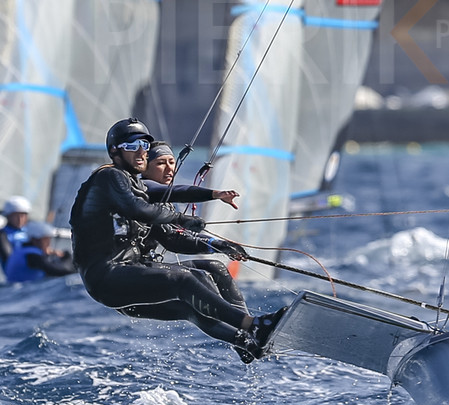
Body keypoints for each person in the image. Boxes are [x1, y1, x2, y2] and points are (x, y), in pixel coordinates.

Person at [69, 118, 287, 362]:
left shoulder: (135, 185)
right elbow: (137, 208)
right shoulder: (108, 177)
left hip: (130, 277)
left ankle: (247, 341)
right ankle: (253, 325)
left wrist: (215, 220)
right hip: (108, 278)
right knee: (184, 280)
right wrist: (182, 219)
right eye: (132, 147)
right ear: (115, 152)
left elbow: (172, 223)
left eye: (144, 145)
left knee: (200, 285)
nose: (141, 151)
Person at [139, 141, 249, 319]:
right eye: (160, 163)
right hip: (135, 278)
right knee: (199, 277)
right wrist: (216, 244)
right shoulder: (143, 192)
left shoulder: (164, 198)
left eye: (171, 162)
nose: (169, 169)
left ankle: (250, 328)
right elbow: (172, 241)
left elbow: (178, 233)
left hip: (151, 268)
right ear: (143, 168)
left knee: (216, 268)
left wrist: (221, 244)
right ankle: (245, 327)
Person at [0, 196, 76, 283]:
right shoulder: (2, 235)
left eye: (23, 215)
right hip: (21, 277)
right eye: (16, 215)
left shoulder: (30, 230)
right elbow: (9, 260)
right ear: (8, 216)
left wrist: (50, 253)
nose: (20, 219)